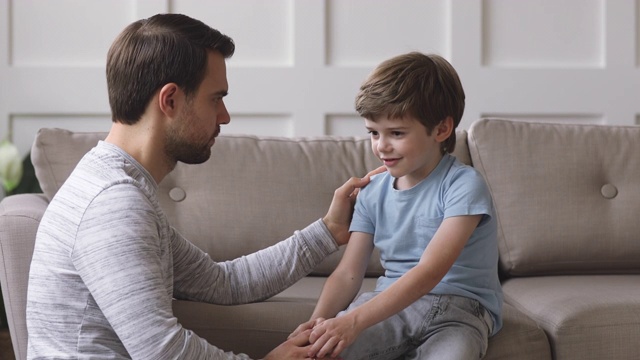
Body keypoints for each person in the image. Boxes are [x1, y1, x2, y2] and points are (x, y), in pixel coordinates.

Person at [26, 13, 382, 360]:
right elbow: (162, 351)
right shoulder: (114, 204)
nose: (224, 115)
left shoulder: (117, 184)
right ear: (170, 100)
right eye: (216, 98)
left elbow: (223, 282)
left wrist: (328, 231)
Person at [290, 52, 503, 359]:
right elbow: (349, 273)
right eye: (374, 133)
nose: (381, 145)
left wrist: (354, 321)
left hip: (460, 312)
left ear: (441, 129)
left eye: (397, 133)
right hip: (386, 306)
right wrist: (317, 323)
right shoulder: (371, 193)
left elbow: (430, 271)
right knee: (320, 352)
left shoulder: (464, 185)